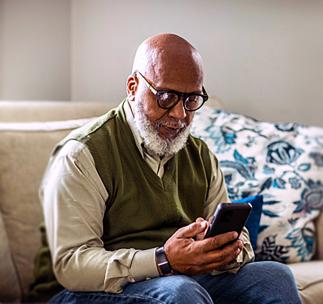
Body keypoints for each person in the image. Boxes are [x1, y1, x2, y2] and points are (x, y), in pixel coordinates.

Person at [27, 33, 302, 304]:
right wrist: (163, 259)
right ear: (133, 86)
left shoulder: (200, 155)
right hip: (78, 292)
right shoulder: (82, 154)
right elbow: (72, 265)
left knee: (274, 277)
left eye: (191, 99)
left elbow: (238, 238)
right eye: (166, 96)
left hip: (176, 279)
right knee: (180, 293)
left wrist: (224, 251)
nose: (180, 114)